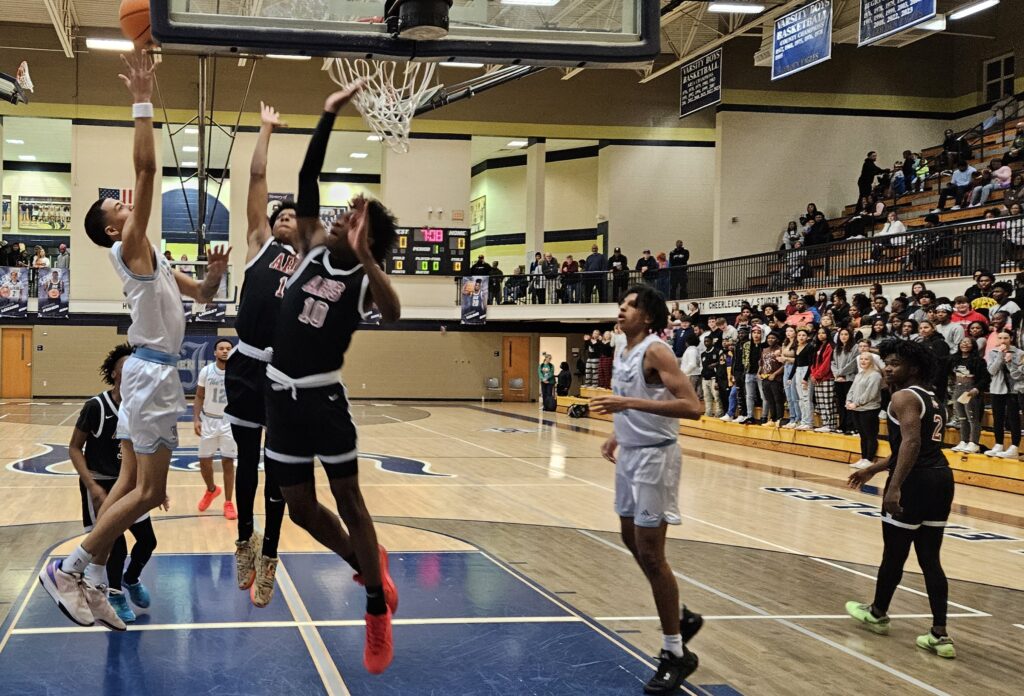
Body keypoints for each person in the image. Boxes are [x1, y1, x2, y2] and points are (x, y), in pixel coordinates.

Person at [41, 50, 229, 631]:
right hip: (150, 372)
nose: (125, 201)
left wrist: (217, 275)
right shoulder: (129, 248)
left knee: (128, 482)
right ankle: (72, 566)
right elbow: (149, 172)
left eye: (121, 201)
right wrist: (141, 100)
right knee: (148, 493)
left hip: (152, 374)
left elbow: (200, 294)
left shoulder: (152, 255)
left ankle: (96, 578)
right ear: (111, 229)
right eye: (114, 205)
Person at [590, 285, 702, 694]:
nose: (622, 308)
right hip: (631, 454)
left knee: (653, 554)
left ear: (649, 317)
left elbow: (694, 407)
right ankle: (682, 614)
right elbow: (635, 397)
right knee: (629, 537)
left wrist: (628, 408)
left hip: (657, 458)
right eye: (622, 303)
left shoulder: (657, 351)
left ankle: (676, 652)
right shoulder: (622, 345)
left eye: (631, 305)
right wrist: (619, 434)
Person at [223, 100, 312, 607]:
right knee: (248, 463)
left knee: (278, 469)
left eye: (292, 216)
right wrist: (266, 129)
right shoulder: (259, 244)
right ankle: (245, 544)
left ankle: (271, 556)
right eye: (280, 213)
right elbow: (256, 175)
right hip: (247, 363)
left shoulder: (309, 266)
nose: (284, 218)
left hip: (286, 374)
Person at [845, 340, 958, 659]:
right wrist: (876, 468)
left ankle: (878, 613)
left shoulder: (903, 396)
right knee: (930, 558)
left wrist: (894, 486)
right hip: (941, 478)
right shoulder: (933, 398)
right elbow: (919, 446)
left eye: (896, 363)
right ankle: (940, 634)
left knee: (894, 554)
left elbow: (910, 444)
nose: (888, 367)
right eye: (887, 362)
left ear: (915, 369)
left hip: (916, 481)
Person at [69, 343, 158, 625]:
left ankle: (131, 579)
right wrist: (92, 486)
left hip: (130, 484)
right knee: (115, 543)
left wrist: (156, 486)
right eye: (126, 366)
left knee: (148, 540)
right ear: (115, 373)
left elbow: (145, 449)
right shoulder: (96, 407)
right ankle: (116, 593)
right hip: (102, 484)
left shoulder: (139, 407)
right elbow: (74, 448)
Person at [193, 338, 237, 520]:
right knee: (204, 462)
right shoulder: (206, 371)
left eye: (228, 348)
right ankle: (211, 490)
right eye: (221, 348)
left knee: (228, 462)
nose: (225, 351)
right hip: (209, 419)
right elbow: (199, 396)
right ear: (215, 352)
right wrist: (196, 418)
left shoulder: (237, 371)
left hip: (229, 421)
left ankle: (228, 502)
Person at [984, 328, 1024, 459]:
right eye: (1000, 338)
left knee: (1013, 419)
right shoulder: (993, 352)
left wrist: (1010, 361)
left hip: (1014, 389)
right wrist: (1001, 356)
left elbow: (1018, 374)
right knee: (998, 418)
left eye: (1005, 338)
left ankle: (1014, 447)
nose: (1003, 341)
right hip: (997, 389)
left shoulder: (1019, 353)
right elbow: (992, 371)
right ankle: (998, 444)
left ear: (1011, 339)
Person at [949, 337, 989, 455]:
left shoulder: (978, 360)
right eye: (962, 342)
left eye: (968, 342)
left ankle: (974, 443)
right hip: (958, 389)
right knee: (961, 418)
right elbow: (950, 374)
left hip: (970, 390)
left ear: (973, 346)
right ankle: (963, 440)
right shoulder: (954, 359)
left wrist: (976, 389)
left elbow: (985, 378)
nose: (964, 344)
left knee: (972, 418)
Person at [846, 352, 883, 470]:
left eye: (866, 359)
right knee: (862, 435)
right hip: (856, 409)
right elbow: (852, 389)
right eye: (861, 359)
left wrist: (856, 403)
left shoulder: (875, 375)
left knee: (870, 435)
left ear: (871, 361)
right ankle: (863, 458)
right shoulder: (859, 374)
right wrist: (848, 401)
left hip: (869, 409)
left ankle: (869, 459)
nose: (863, 361)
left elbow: (870, 394)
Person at [811, 327, 837, 433]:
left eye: (823, 333)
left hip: (827, 378)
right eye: (819, 333)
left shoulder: (830, 346)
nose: (821, 335)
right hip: (818, 378)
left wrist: (817, 375)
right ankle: (825, 423)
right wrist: (813, 374)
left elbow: (826, 364)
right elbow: (813, 363)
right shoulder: (818, 346)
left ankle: (831, 425)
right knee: (821, 402)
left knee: (828, 402)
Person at [832, 328, 858, 434]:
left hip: (849, 379)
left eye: (846, 334)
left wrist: (841, 373)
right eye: (841, 334)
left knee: (849, 403)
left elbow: (853, 364)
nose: (843, 336)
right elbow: (833, 363)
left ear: (850, 336)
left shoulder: (855, 347)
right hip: (838, 380)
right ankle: (842, 425)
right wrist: (837, 374)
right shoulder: (837, 348)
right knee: (841, 404)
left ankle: (850, 426)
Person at [758, 332, 785, 426]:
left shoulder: (781, 349)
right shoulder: (764, 350)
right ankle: (772, 419)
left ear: (777, 339)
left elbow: (784, 365)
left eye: (773, 338)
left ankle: (779, 419)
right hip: (765, 378)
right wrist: (759, 372)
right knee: (769, 399)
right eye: (769, 338)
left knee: (778, 399)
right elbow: (761, 363)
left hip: (776, 378)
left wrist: (775, 374)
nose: (770, 339)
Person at [793, 327, 815, 430]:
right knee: (801, 399)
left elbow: (811, 363)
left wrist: (805, 378)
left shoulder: (810, 347)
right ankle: (803, 420)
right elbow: (795, 363)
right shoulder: (796, 347)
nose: (801, 337)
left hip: (806, 371)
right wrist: (790, 377)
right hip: (798, 371)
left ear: (807, 337)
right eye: (799, 335)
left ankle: (809, 422)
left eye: (803, 335)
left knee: (807, 398)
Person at [700, 335, 722, 417]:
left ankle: (719, 412)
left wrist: (716, 364)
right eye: (705, 341)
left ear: (712, 341)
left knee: (716, 396)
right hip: (705, 378)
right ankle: (708, 412)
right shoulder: (703, 354)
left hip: (714, 378)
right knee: (706, 397)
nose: (706, 343)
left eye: (708, 341)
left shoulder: (717, 351)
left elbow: (722, 362)